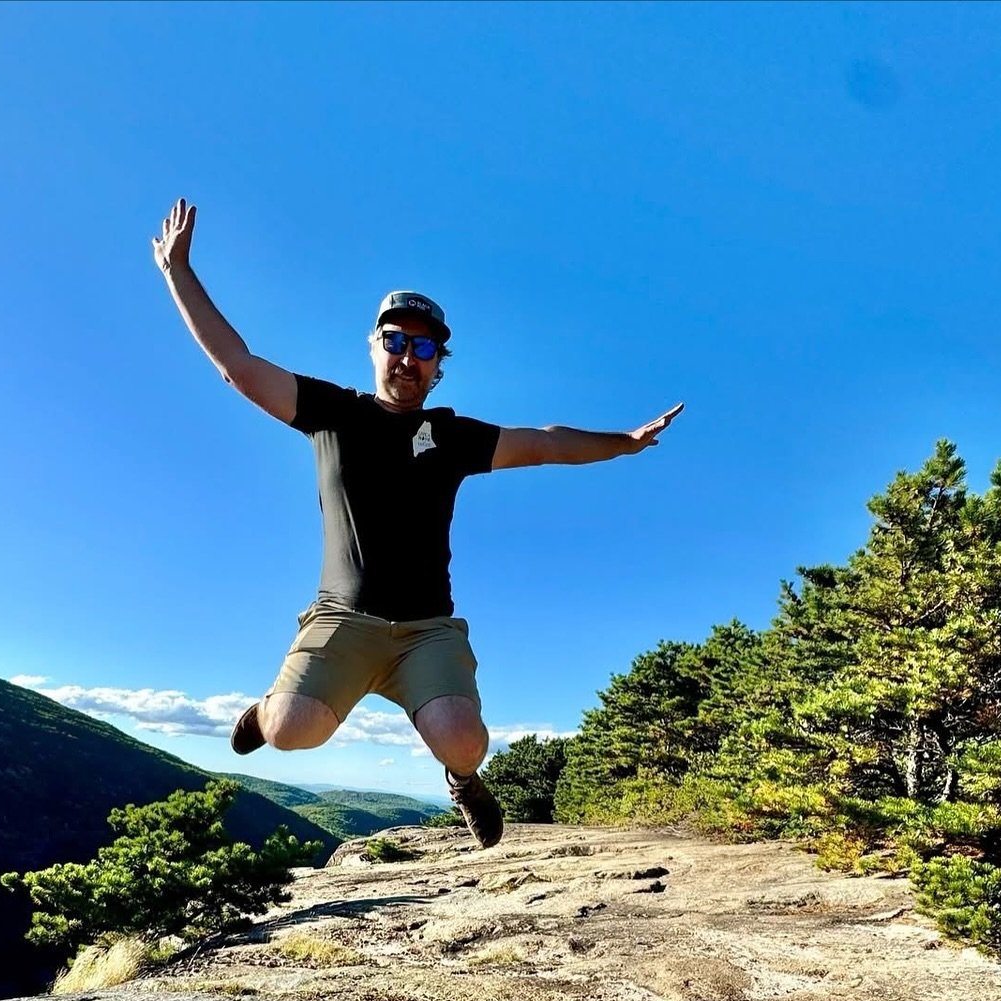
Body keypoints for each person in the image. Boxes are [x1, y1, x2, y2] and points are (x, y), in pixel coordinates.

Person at [153, 197, 683, 848]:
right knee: (294, 731)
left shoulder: (451, 436)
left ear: (438, 364)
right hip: (342, 621)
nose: (408, 356)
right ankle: (265, 712)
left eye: (423, 346)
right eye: (395, 341)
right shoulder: (333, 413)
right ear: (374, 347)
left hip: (426, 630)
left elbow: (544, 442)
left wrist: (624, 441)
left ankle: (462, 783)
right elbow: (239, 366)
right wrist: (178, 271)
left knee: (467, 742)